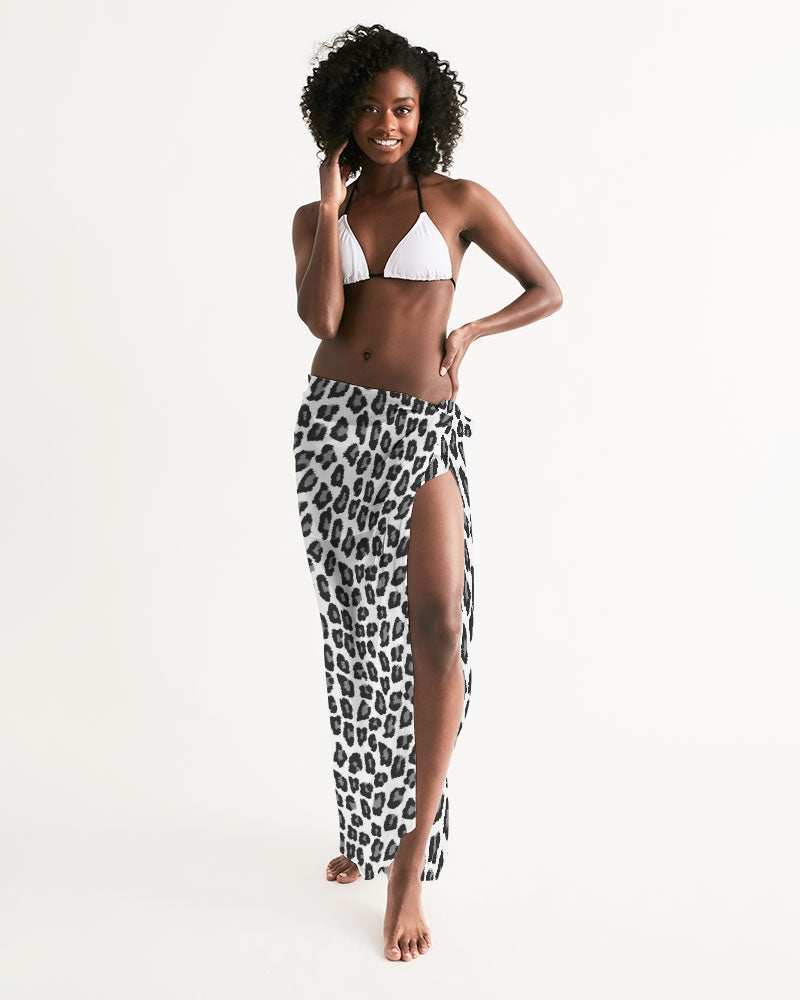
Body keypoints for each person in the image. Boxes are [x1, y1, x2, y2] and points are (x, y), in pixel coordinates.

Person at [291, 23, 562, 962]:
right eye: (370, 107)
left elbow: (546, 288)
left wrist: (473, 331)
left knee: (439, 624)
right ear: (342, 113)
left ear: (425, 114)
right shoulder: (314, 216)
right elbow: (322, 318)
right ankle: (363, 826)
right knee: (356, 631)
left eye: (402, 108)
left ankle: (409, 855)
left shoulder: (457, 200)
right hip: (334, 430)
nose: (386, 123)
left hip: (423, 425)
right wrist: (331, 207)